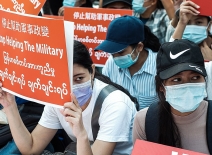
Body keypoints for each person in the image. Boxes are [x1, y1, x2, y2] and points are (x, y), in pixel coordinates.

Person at [0, 40, 137, 155]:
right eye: (63, 81)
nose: (71, 89)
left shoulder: (115, 104)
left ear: (92, 71)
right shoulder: (56, 100)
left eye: (79, 79)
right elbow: (31, 148)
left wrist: (81, 134)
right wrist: (10, 105)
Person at [133, 39, 210, 154]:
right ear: (161, 86)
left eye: (195, 78)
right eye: (177, 80)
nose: (187, 86)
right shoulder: (144, 121)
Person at [95, 15, 161, 110]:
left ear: (139, 47)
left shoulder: (159, 66)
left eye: (121, 52)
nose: (116, 57)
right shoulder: (110, 64)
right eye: (112, 53)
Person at [169, 0, 212, 100]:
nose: (192, 27)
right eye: (188, 22)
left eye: (198, 22)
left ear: (209, 24)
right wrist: (182, 22)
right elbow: (168, 57)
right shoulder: (179, 48)